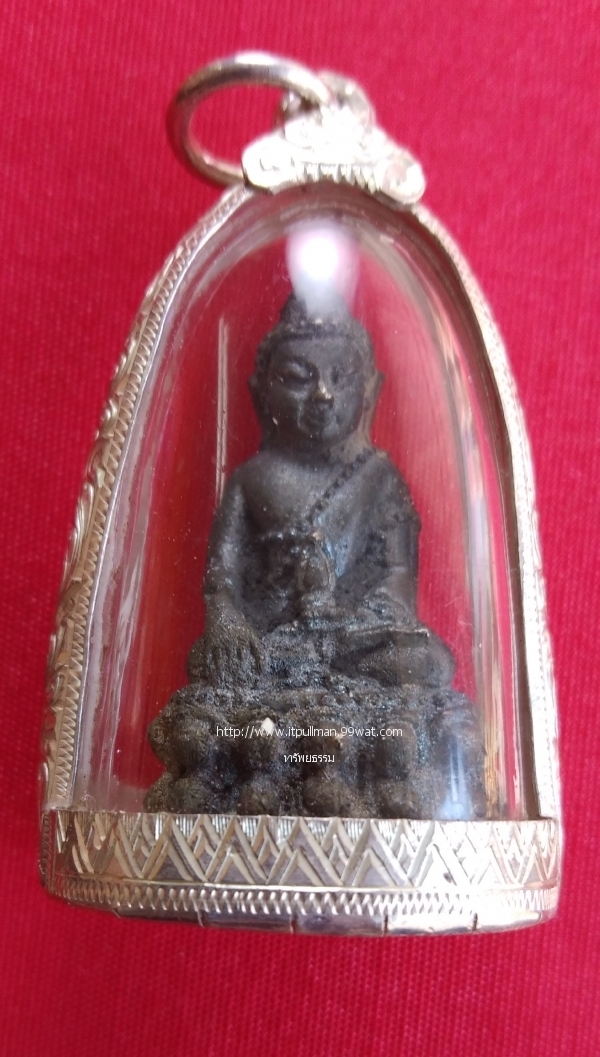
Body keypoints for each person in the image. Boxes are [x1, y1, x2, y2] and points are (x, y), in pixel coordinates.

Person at [146, 292, 486, 819]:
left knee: (423, 659)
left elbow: (397, 579)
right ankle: (316, 756)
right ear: (260, 393)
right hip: (275, 647)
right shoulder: (251, 481)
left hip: (354, 642)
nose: (323, 394)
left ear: (370, 390)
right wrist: (228, 623)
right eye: (298, 378)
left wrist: (353, 621)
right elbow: (222, 579)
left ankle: (309, 755)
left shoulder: (379, 480)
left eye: (341, 377)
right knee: (212, 666)